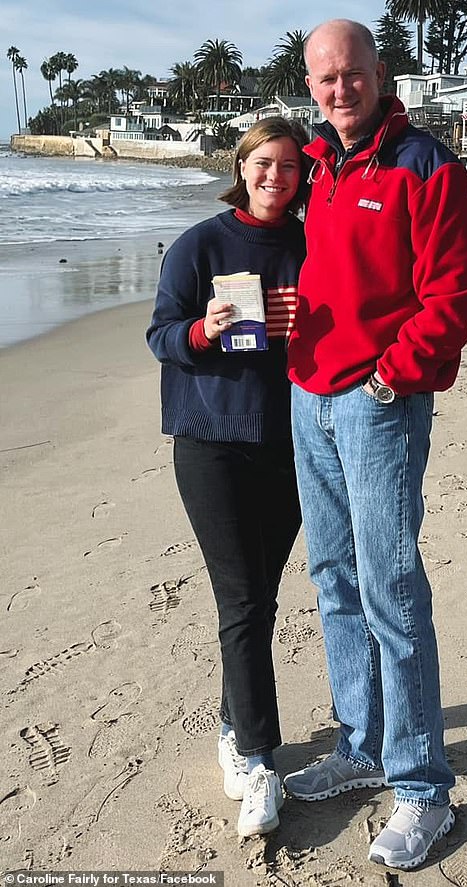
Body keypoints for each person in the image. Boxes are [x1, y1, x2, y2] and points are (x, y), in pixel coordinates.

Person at [284, 20, 467, 871]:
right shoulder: (318, 168)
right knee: (333, 580)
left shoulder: (423, 164)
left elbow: (459, 289)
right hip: (309, 398)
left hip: (378, 405)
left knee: (392, 593)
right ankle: (362, 744)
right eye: (325, 80)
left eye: (352, 74)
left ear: (379, 73)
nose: (339, 90)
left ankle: (422, 788)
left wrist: (391, 374)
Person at [146, 116, 308, 838]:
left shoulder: (311, 245)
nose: (276, 175)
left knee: (260, 601)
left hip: (292, 443)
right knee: (242, 599)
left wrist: (314, 320)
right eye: (263, 163)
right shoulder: (200, 244)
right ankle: (259, 759)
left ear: (304, 176)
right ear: (241, 167)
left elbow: (344, 325)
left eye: (290, 165)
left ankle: (229, 722)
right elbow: (161, 334)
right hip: (210, 444)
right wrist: (205, 330)